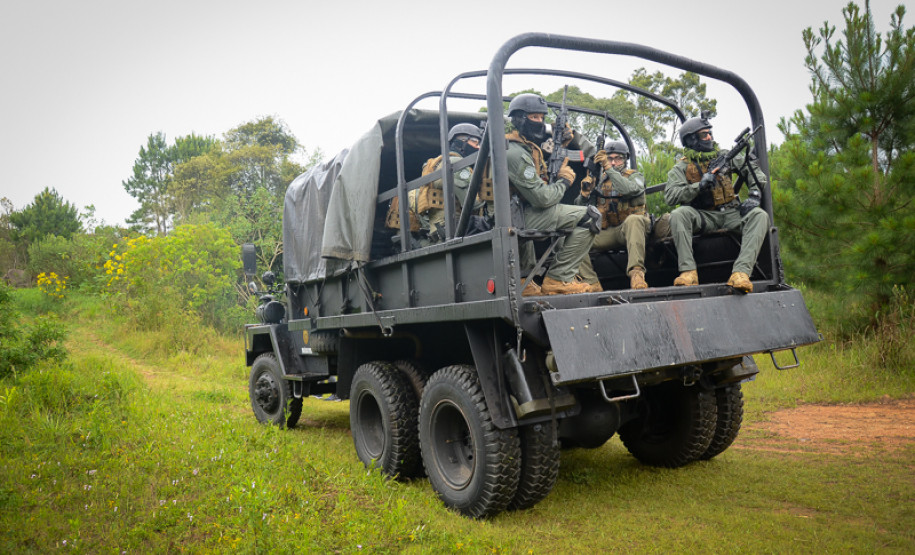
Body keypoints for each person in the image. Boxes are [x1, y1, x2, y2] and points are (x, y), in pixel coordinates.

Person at [664, 115, 768, 292]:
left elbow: (754, 171)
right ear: (691, 139)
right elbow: (671, 196)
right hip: (704, 216)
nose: (710, 138)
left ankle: (741, 273)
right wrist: (700, 185)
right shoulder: (681, 168)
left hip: (731, 212)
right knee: (678, 215)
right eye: (704, 135)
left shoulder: (724, 156)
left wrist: (754, 194)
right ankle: (688, 272)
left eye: (709, 133)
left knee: (759, 215)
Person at [505, 93, 597, 295]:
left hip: (520, 213)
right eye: (533, 117)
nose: (539, 122)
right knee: (591, 217)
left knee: (569, 216)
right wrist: (564, 182)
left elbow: (543, 178)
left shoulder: (525, 148)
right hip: (516, 216)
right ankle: (559, 279)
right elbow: (542, 198)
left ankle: (524, 280)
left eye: (541, 117)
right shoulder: (515, 153)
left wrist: (562, 146)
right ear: (520, 118)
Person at [385, 123, 482, 246]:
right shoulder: (455, 163)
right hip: (455, 234)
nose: (478, 147)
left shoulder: (438, 164)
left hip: (443, 234)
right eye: (475, 142)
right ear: (461, 142)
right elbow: (473, 204)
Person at [576, 140, 651, 291]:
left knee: (634, 220)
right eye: (610, 158)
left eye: (618, 158)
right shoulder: (600, 181)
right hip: (610, 231)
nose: (614, 162)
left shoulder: (635, 176)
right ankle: (592, 282)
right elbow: (579, 210)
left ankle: (637, 274)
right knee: (576, 236)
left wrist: (608, 168)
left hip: (633, 229)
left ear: (625, 160)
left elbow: (628, 189)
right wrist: (584, 195)